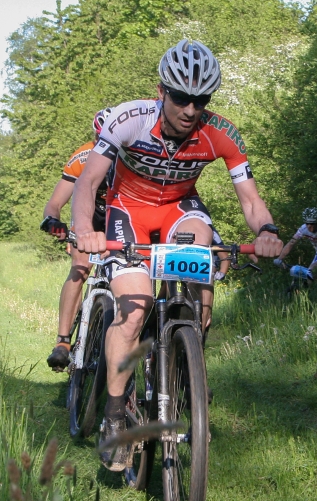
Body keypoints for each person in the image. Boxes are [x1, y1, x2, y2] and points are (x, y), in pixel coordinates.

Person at [72, 39, 283, 471]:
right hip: (128, 211)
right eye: (182, 98)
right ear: (161, 91)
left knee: (203, 248)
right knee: (133, 313)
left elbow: (250, 200)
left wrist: (267, 231)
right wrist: (84, 231)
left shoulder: (220, 133)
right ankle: (115, 415)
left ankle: (187, 361)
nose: (190, 109)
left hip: (179, 210)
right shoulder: (129, 119)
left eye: (200, 101)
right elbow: (88, 183)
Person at [41, 108, 113, 372]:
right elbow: (55, 202)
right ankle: (62, 341)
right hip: (88, 216)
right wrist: (53, 221)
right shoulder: (83, 157)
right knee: (80, 268)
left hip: (119, 216)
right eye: (101, 139)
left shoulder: (133, 157)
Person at [274, 207, 317, 285]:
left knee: (315, 273)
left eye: (312, 223)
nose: (309, 226)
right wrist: (279, 259)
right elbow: (291, 243)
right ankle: (315, 287)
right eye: (307, 223)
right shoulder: (303, 228)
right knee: (309, 278)